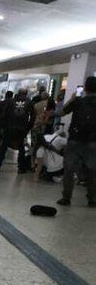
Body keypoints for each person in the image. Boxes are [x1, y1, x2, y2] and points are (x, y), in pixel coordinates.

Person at [56, 76, 96, 207]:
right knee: (93, 170)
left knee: (69, 169)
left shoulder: (78, 101)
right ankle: (92, 199)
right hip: (92, 141)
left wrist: (72, 99)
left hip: (75, 140)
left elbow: (62, 112)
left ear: (85, 87)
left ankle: (66, 198)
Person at [0, 88, 33, 173]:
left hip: (9, 127)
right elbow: (32, 117)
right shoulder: (29, 102)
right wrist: (28, 128)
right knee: (21, 148)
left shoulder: (10, 101)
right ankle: (21, 168)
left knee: (3, 147)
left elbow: (4, 114)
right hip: (22, 128)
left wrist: (3, 126)